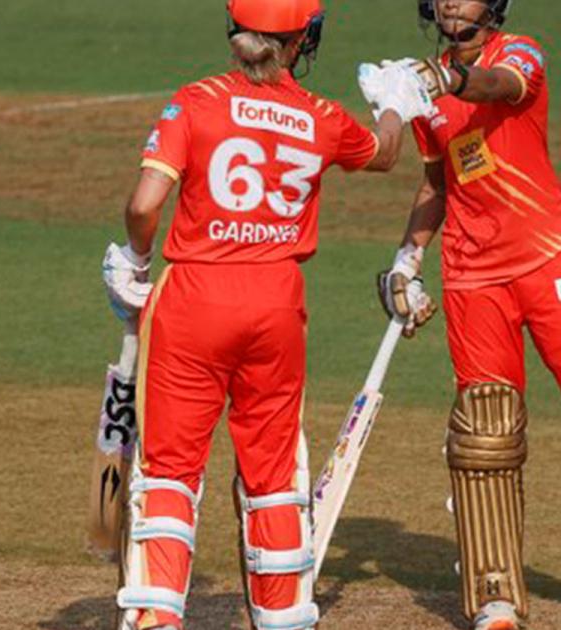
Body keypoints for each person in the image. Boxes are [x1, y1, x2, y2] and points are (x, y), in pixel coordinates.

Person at [99, 1, 435, 628]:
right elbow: (386, 152)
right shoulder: (321, 117)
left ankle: (154, 618)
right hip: (276, 305)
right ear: (302, 39)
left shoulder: (196, 101)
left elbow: (145, 204)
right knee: (274, 475)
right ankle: (284, 619)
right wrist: (395, 104)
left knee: (170, 473)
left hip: (194, 299)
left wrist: (134, 261)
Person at [359, 1, 561, 627]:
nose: (452, 2)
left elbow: (497, 86)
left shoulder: (519, 53)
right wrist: (407, 260)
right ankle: (495, 588)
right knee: (487, 429)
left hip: (550, 257)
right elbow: (436, 184)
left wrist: (438, 79)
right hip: (473, 275)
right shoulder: (424, 89)